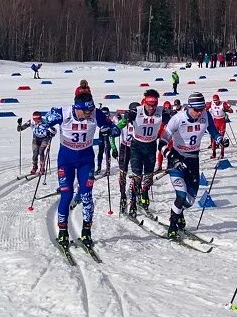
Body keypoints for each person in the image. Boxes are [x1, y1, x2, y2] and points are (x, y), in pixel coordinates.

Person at [41, 92, 115, 248]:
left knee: (87, 196)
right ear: (77, 108)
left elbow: (115, 129)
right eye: (86, 111)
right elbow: (39, 127)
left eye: (91, 111)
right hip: (66, 161)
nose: (89, 114)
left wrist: (108, 130)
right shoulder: (61, 112)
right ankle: (62, 232)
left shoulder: (96, 113)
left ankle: (86, 232)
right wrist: (47, 131)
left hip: (86, 161)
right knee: (66, 195)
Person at [161, 92, 222, 239]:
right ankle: (172, 226)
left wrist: (220, 139)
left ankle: (179, 213)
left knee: (189, 201)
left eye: (202, 109)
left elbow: (213, 130)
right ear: (189, 107)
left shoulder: (206, 116)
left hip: (193, 160)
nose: (199, 112)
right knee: (181, 195)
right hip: (177, 159)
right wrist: (171, 157)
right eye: (196, 109)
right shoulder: (177, 119)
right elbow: (162, 143)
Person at [120, 89, 166, 219]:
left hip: (151, 146)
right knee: (137, 175)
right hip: (137, 146)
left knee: (148, 175)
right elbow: (122, 123)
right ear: (144, 102)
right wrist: (114, 129)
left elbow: (175, 120)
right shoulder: (136, 111)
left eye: (154, 105)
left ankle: (144, 193)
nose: (151, 108)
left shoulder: (161, 112)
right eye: (149, 105)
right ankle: (133, 201)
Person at [16, 111, 56, 176]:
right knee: (35, 153)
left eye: (38, 119)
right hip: (36, 138)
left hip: (44, 139)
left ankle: (42, 168)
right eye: (35, 119)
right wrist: (19, 124)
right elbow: (20, 129)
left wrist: (51, 134)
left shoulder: (46, 122)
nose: (37, 121)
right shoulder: (31, 122)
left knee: (41, 151)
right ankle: (35, 167)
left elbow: (54, 131)